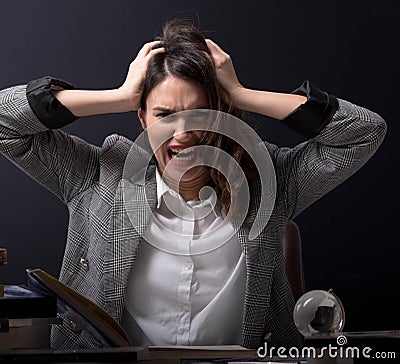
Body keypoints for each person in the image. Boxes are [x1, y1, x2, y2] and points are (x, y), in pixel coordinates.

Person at [0, 19, 386, 349]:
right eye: (164, 114)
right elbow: (5, 122)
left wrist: (241, 94)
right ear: (141, 118)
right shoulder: (99, 175)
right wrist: (117, 96)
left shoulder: (269, 181)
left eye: (200, 113)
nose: (182, 133)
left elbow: (363, 133)